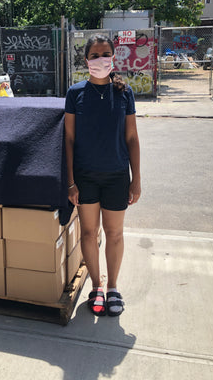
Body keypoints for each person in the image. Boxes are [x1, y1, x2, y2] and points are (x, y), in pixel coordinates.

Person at [65, 34, 141, 317]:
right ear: (86, 60)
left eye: (105, 54)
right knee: (88, 232)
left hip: (117, 176)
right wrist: (71, 181)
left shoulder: (124, 92)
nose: (100, 60)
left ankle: (113, 288)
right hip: (85, 178)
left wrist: (137, 178)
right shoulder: (75, 93)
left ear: (113, 57)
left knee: (115, 234)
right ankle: (96, 286)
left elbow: (132, 138)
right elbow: (69, 140)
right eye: (94, 55)